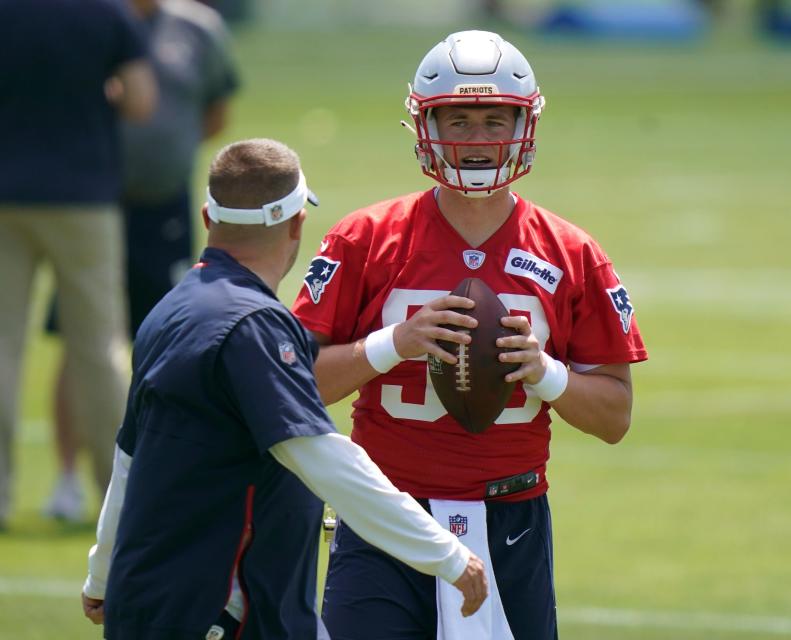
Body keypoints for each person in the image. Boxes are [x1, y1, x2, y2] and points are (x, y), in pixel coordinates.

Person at [291, 30, 647, 639]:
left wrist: (546, 372)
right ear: (424, 125)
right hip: (385, 512)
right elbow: (295, 387)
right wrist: (394, 343)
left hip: (512, 516)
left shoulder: (572, 252)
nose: (477, 141)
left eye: (493, 120)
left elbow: (614, 417)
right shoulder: (365, 238)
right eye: (457, 120)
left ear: (524, 124)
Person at [80, 138, 487, 639]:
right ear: (297, 223)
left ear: (208, 218)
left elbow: (130, 459)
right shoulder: (255, 327)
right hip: (220, 614)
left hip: (144, 603)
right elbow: (323, 458)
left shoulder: (169, 312)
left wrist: (102, 574)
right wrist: (447, 554)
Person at [45, 0, 241, 523]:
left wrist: (167, 146)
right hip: (92, 200)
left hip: (166, 206)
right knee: (81, 338)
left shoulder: (198, 28)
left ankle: (165, 469)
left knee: (174, 338)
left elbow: (217, 106)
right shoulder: (94, 21)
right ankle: (68, 477)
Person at [0, 0, 156, 529]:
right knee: (97, 350)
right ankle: (115, 494)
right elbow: (140, 101)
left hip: (5, 196)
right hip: (84, 197)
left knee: (3, 349)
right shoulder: (108, 14)